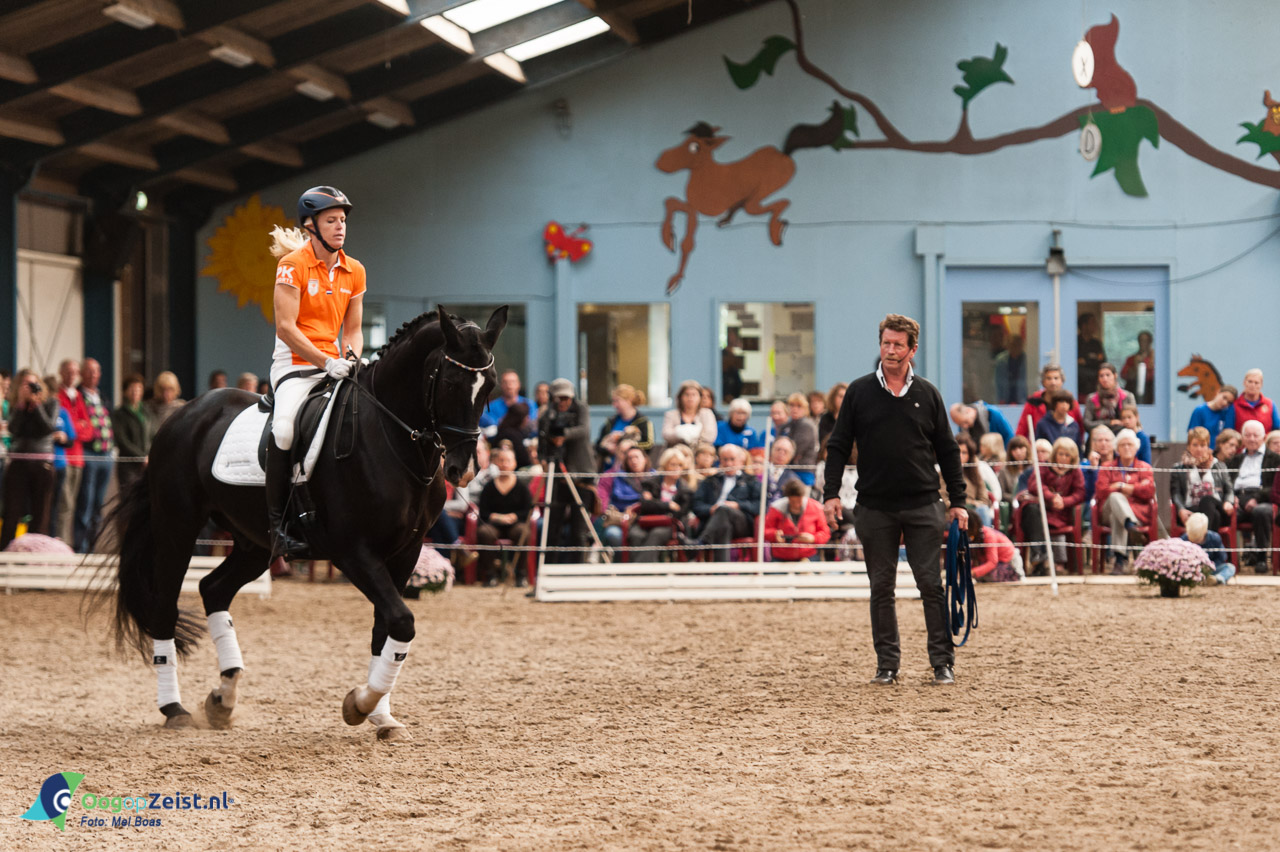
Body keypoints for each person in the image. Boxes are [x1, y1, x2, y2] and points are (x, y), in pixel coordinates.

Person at [822, 313, 966, 687]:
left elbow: (948, 451)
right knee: (880, 587)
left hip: (923, 503)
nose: (890, 350)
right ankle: (887, 665)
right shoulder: (858, 392)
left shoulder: (928, 393)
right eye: (886, 343)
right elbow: (837, 446)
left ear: (912, 349)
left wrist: (959, 501)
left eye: (898, 344)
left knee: (931, 585)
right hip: (874, 506)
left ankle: (942, 663)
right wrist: (831, 494)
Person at [266, 185, 364, 560]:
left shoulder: (355, 270)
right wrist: (326, 362)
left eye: (342, 220)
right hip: (294, 365)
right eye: (331, 220)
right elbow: (286, 329)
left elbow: (353, 328)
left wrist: (353, 357)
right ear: (311, 225)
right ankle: (276, 526)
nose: (340, 227)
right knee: (285, 427)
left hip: (338, 366)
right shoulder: (292, 265)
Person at [0, 370, 61, 550]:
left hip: (42, 462)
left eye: (33, 385)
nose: (29, 389)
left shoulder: (51, 403)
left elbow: (47, 428)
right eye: (25, 385)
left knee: (40, 514)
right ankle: (4, 554)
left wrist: (37, 405)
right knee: (12, 512)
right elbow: (13, 429)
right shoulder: (15, 405)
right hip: (18, 461)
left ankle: (36, 554)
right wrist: (21, 406)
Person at [537, 378, 594, 563]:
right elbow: (542, 440)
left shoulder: (581, 408)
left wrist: (564, 435)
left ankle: (577, 571)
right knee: (552, 526)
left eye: (567, 398)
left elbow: (584, 430)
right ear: (552, 397)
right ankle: (548, 569)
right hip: (557, 475)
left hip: (581, 475)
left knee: (578, 530)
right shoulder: (547, 415)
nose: (563, 402)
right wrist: (544, 459)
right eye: (559, 398)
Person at [1019, 437, 1085, 575]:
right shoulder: (1044, 466)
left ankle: (1048, 563)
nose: (1063, 458)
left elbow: (1079, 493)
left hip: (1061, 514)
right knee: (1031, 511)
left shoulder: (1075, 472)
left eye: (1067, 455)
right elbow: (1034, 484)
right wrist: (1051, 497)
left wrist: (1064, 501)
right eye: (1061, 454)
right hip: (1041, 511)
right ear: (1055, 454)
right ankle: (1039, 557)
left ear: (1072, 458)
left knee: (1042, 521)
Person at [1096, 429, 1156, 574]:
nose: (1127, 447)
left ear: (1136, 448)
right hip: (1107, 510)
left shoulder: (1144, 467)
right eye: (1123, 445)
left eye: (1130, 444)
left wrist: (1121, 486)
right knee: (1115, 498)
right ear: (1117, 449)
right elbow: (1101, 491)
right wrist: (1135, 489)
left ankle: (1119, 560)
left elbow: (1149, 492)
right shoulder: (1107, 467)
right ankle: (1130, 525)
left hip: (1137, 512)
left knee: (1117, 515)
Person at [690, 443, 760, 562]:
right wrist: (711, 509)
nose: (728, 464)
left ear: (741, 460)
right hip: (715, 521)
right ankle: (721, 574)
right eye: (725, 460)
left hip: (742, 524)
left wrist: (738, 505)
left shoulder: (751, 481)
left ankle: (700, 543)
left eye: (732, 459)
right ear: (720, 461)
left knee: (724, 510)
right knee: (724, 525)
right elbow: (696, 505)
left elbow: (759, 506)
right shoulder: (710, 481)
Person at [475, 444, 533, 586]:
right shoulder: (489, 486)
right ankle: (490, 575)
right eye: (501, 460)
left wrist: (514, 516)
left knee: (523, 532)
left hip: (515, 524)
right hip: (494, 524)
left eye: (508, 461)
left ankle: (521, 575)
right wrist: (498, 517)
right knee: (484, 532)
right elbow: (483, 512)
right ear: (496, 462)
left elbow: (528, 510)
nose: (505, 464)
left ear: (515, 463)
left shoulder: (521, 487)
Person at [627, 446, 697, 562]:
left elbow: (680, 512)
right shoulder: (650, 483)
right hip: (647, 521)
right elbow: (645, 505)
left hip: (669, 525)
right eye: (672, 465)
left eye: (679, 465)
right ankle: (645, 573)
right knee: (636, 535)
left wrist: (654, 503)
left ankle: (637, 572)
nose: (676, 469)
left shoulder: (685, 489)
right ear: (665, 465)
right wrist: (667, 505)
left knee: (657, 534)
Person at [1225, 420, 1277, 572]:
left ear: (1263, 437)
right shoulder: (1235, 459)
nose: (1252, 439)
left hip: (1262, 499)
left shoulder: (1274, 459)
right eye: (1247, 435)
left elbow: (1274, 486)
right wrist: (1229, 498)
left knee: (1261, 512)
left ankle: (1261, 559)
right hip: (1237, 499)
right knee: (1223, 511)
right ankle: (1228, 560)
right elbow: (1226, 482)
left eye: (1256, 435)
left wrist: (1257, 498)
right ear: (1242, 437)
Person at [73, 357, 114, 553]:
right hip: (89, 454)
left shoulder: (102, 397)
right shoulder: (77, 396)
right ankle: (80, 547)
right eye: (89, 371)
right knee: (85, 504)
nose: (93, 375)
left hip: (106, 455)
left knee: (99, 505)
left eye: (96, 371)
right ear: (82, 373)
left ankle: (92, 546)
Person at [597, 444, 651, 551]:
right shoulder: (619, 476)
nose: (634, 461)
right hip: (621, 519)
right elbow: (619, 499)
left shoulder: (655, 476)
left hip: (646, 520)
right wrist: (642, 499)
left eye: (637, 457)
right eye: (630, 458)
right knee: (612, 534)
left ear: (645, 459)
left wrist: (638, 505)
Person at [764, 477, 829, 561]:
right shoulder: (776, 508)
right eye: (792, 501)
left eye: (799, 501)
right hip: (781, 556)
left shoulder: (816, 508)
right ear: (788, 498)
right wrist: (775, 534)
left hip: (808, 555)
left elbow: (825, 533)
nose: (796, 505)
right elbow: (765, 531)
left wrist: (813, 538)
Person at [1014, 364, 1082, 440]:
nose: (1053, 382)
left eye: (1056, 378)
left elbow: (1079, 431)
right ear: (1043, 382)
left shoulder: (1071, 403)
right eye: (1049, 378)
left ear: (1062, 381)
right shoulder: (1033, 402)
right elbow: (1021, 431)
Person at [595, 384, 654, 471]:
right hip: (610, 470)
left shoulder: (642, 422)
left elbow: (649, 445)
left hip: (632, 471)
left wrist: (630, 445)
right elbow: (598, 445)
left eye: (617, 401)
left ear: (628, 401)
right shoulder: (611, 422)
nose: (614, 405)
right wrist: (608, 449)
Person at [112, 373, 151, 492]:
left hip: (147, 463)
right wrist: (141, 457)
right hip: (129, 465)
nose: (135, 392)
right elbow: (122, 440)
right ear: (125, 391)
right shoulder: (119, 414)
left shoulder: (147, 412)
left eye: (139, 389)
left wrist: (150, 455)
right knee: (129, 497)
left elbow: (153, 434)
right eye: (132, 389)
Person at [1181, 512, 1234, 586]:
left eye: (1197, 539)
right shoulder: (1184, 539)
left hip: (1210, 570)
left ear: (1205, 531)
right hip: (1191, 570)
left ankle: (1217, 579)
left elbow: (1222, 557)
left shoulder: (1215, 538)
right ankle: (1193, 579)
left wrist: (1210, 566)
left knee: (1230, 567)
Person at [968, 511, 1022, 582]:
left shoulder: (988, 535)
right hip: (993, 563)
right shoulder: (974, 537)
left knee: (990, 575)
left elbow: (992, 562)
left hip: (1009, 563)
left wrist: (973, 572)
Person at [1081, 362, 1133, 436]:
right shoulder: (1091, 398)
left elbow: (1132, 421)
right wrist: (1109, 423)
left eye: (1108, 375)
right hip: (1098, 438)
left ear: (1115, 376)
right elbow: (1087, 424)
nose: (1105, 379)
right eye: (1101, 376)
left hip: (1122, 438)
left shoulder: (1127, 396)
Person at [662, 380, 717, 449]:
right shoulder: (671, 414)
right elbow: (666, 434)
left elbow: (709, 436)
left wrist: (688, 436)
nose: (690, 398)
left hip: (700, 453)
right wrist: (681, 433)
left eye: (694, 395)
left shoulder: (707, 413)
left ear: (700, 397)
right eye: (687, 394)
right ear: (680, 397)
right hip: (676, 452)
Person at [481, 370, 537, 436]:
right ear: (501, 385)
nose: (509, 386)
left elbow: (532, 426)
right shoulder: (491, 407)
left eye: (512, 382)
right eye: (505, 382)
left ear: (519, 384)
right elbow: (488, 427)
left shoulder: (530, 405)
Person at [781, 392, 819, 486]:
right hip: (786, 470)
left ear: (805, 409)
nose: (794, 409)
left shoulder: (807, 426)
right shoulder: (785, 426)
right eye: (792, 405)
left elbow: (797, 449)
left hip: (803, 470)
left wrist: (784, 456)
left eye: (799, 406)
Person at [1187, 384, 1237, 449]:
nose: (1225, 403)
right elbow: (1192, 435)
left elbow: (1229, 433)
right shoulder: (1200, 411)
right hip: (1202, 451)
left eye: (1229, 402)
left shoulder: (1227, 412)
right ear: (1218, 392)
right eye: (1224, 397)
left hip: (1218, 452)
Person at [1232, 369, 1280, 434]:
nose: (1253, 385)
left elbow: (1277, 430)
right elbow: (1229, 431)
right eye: (1250, 381)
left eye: (1256, 383)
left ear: (1261, 385)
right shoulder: (1234, 405)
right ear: (1244, 382)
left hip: (1264, 444)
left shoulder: (1270, 404)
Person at [949, 401, 1013, 448]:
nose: (964, 426)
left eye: (965, 422)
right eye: (960, 424)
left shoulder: (993, 414)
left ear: (968, 410)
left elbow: (1009, 436)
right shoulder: (963, 428)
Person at [1081, 424, 1116, 510]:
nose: (1103, 443)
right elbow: (1087, 493)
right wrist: (1094, 469)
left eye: (1107, 440)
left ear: (1114, 444)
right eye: (1100, 440)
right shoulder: (1085, 465)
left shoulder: (1120, 464)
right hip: (1093, 505)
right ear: (1094, 444)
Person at [1076, 312, 1107, 400]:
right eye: (1092, 322)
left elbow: (1102, 361)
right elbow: (1075, 363)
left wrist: (1085, 361)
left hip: (1094, 383)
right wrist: (1092, 360)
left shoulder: (1096, 343)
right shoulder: (1075, 342)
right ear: (1084, 325)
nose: (1096, 325)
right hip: (1079, 384)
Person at [1119, 330, 1155, 405]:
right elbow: (1124, 375)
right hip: (1133, 392)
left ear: (1150, 342)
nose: (1143, 343)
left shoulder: (1156, 359)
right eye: (1141, 340)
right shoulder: (1131, 359)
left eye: (1146, 341)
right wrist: (1135, 366)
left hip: (1150, 393)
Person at [993, 332, 1028, 405]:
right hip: (1005, 395)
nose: (1015, 347)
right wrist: (1000, 398)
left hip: (1022, 396)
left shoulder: (1026, 359)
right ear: (1008, 346)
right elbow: (998, 381)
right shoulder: (1001, 360)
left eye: (1018, 345)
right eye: (1013, 345)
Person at [763, 436, 801, 504]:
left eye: (785, 452)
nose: (781, 454)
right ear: (771, 450)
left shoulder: (793, 479)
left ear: (791, 456)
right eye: (778, 449)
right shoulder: (760, 470)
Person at [494, 403, 532, 468]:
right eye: (526, 417)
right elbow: (524, 459)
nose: (528, 419)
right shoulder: (511, 434)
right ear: (521, 418)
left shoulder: (517, 431)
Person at [999, 435, 1031, 501]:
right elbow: (1001, 493)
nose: (1018, 452)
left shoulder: (1033, 468)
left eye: (1021, 447)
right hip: (1013, 504)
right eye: (1014, 449)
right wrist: (1015, 498)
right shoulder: (1004, 471)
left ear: (1027, 449)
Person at [817, 382, 846, 447]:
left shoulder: (853, 417)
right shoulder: (825, 418)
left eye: (846, 396)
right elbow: (823, 440)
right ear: (833, 398)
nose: (843, 399)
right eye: (840, 396)